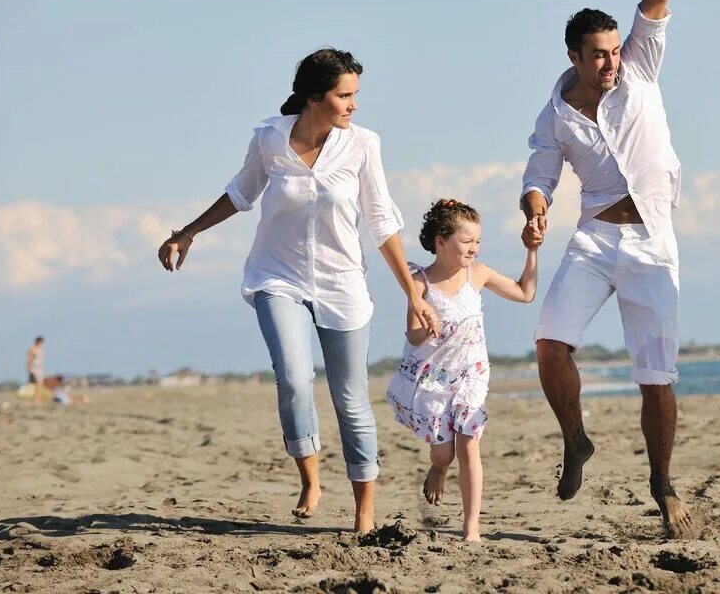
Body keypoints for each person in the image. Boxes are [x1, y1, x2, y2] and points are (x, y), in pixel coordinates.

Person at [157, 48, 438, 533]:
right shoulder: (269, 138)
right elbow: (241, 193)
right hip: (277, 275)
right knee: (292, 377)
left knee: (350, 397)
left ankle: (364, 510)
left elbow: (381, 222)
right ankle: (310, 476)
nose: (353, 105)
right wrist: (188, 232)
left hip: (342, 281)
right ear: (313, 97)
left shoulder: (363, 144)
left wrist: (413, 293)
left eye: (355, 95)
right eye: (344, 95)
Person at [519, 0, 694, 536]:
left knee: (656, 376)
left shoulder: (641, 69)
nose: (611, 61)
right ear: (573, 56)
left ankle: (662, 485)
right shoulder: (556, 114)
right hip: (594, 237)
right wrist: (535, 212)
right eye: (598, 53)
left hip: (651, 240)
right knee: (548, 346)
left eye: (616, 50)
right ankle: (576, 439)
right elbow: (539, 176)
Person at [386, 199, 537, 542]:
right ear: (441, 241)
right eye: (466, 242)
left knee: (469, 440)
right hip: (433, 381)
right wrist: (428, 325)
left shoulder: (478, 274)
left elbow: (525, 293)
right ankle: (439, 468)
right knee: (444, 452)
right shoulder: (419, 282)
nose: (474, 248)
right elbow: (412, 333)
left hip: (471, 375)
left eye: (478, 242)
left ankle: (471, 528)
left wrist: (532, 252)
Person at [26, 336, 45, 404]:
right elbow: (29, 359)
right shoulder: (33, 349)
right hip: (35, 367)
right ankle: (35, 398)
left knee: (41, 383)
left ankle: (38, 398)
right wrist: (29, 368)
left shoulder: (41, 349)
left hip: (40, 368)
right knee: (37, 384)